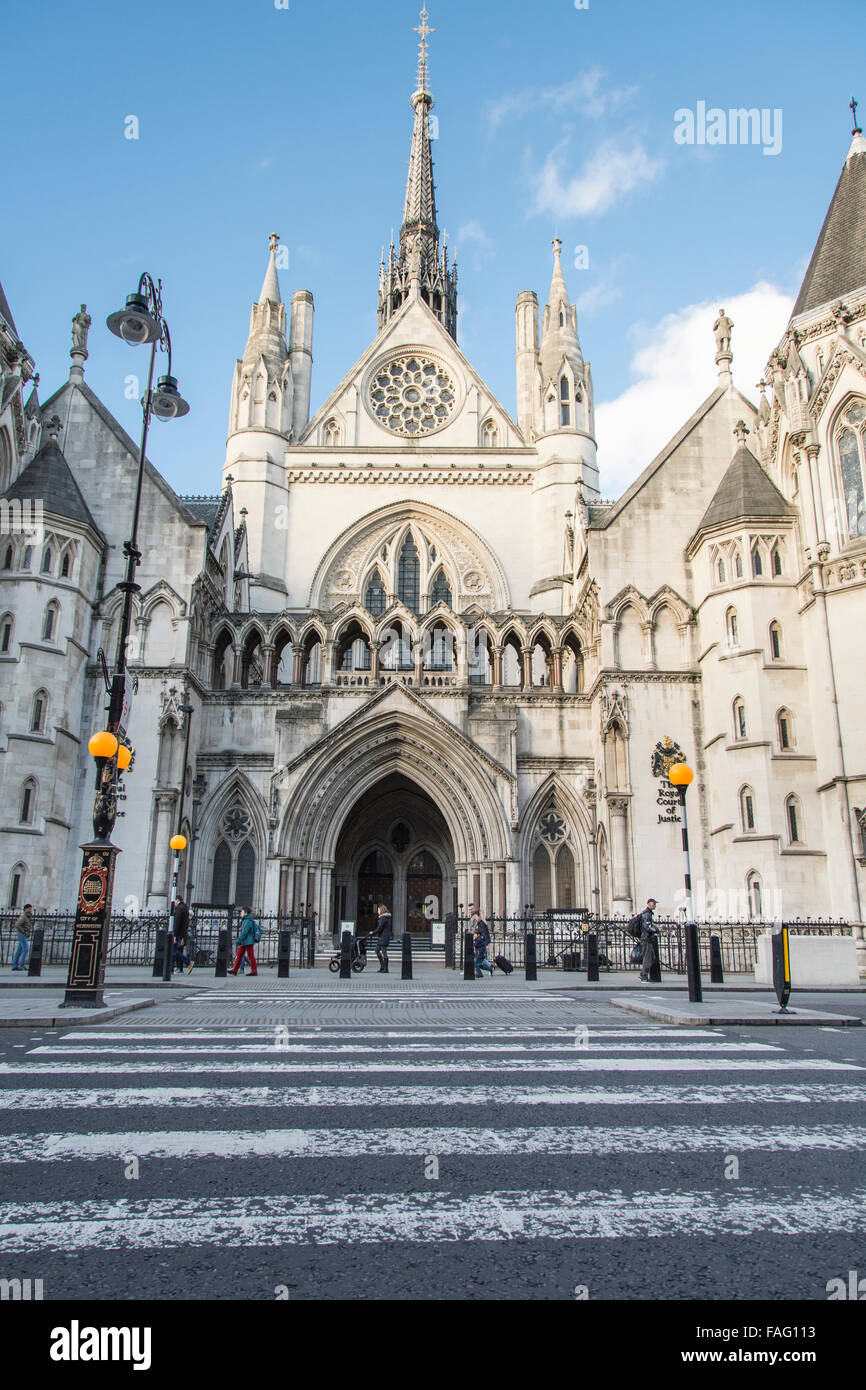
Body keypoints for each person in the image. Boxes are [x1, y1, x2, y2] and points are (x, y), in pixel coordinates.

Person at [228, 908, 259, 976]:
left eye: (242, 912)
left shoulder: (247, 921)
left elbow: (244, 932)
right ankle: (234, 970)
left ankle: (254, 971)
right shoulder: (248, 920)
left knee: (250, 956)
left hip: (247, 941)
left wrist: (239, 939)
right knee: (239, 955)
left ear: (245, 913)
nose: (240, 913)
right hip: (245, 941)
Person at [469, 904, 493, 979]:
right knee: (480, 962)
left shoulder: (481, 924)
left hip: (481, 947)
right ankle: (490, 968)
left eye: (476, 917)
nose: (475, 918)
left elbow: (484, 935)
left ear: (479, 916)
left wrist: (485, 944)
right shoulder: (479, 923)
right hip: (480, 946)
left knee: (477, 963)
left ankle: (480, 973)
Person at [639, 898, 659, 982]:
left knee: (651, 957)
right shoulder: (647, 914)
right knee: (648, 958)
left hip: (646, 938)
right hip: (646, 939)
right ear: (649, 904)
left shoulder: (648, 913)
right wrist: (656, 930)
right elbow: (647, 927)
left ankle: (644, 974)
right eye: (654, 904)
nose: (655, 905)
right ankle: (644, 976)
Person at [171, 896, 192, 974]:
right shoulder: (184, 907)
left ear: (177, 900)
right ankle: (176, 969)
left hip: (178, 933)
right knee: (176, 951)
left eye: (174, 901)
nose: (174, 904)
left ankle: (187, 962)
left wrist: (174, 935)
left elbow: (177, 923)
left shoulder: (179, 909)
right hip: (182, 933)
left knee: (174, 951)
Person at [11, 903, 33, 971]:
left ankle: (14, 966)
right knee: (26, 949)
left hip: (23, 935)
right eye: (29, 909)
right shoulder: (23, 916)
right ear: (25, 909)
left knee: (19, 950)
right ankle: (21, 965)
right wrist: (24, 932)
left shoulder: (27, 916)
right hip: (22, 935)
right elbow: (17, 925)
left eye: (31, 909)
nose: (30, 910)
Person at [373, 903, 392, 973]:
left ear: (381, 910)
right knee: (377, 950)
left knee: (384, 952)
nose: (377, 911)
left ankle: (385, 968)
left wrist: (373, 932)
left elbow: (379, 928)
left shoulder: (383, 918)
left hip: (383, 938)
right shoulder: (384, 918)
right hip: (382, 937)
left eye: (378, 910)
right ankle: (382, 966)